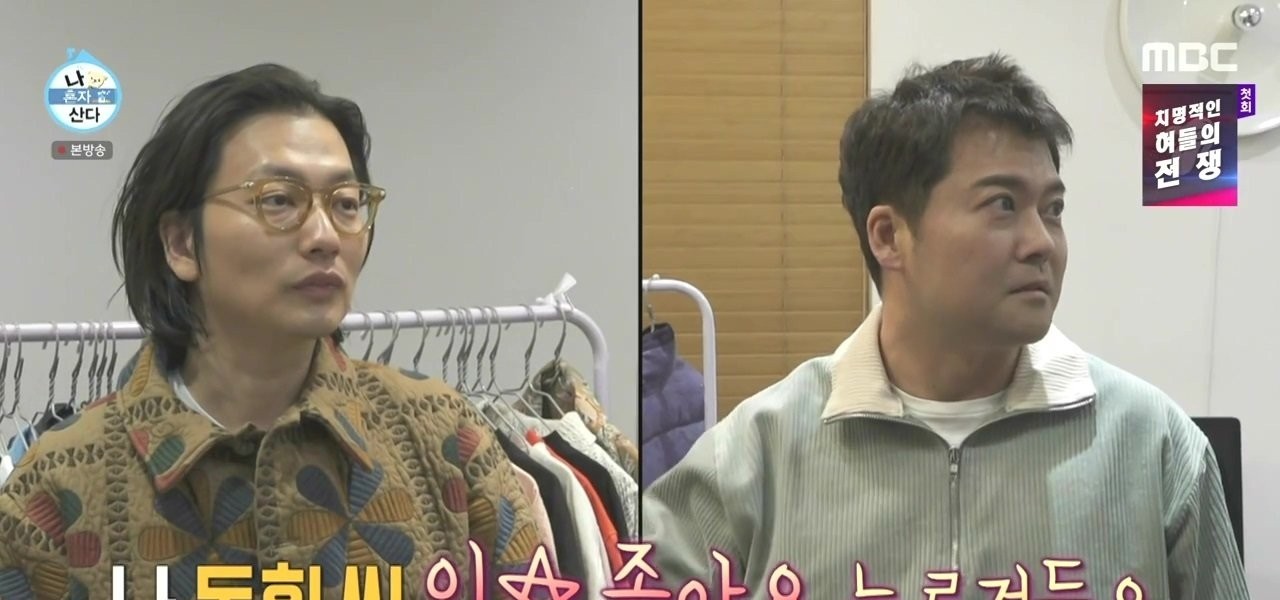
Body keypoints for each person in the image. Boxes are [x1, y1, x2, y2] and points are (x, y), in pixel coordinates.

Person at [641, 54, 1250, 599]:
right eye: (1002, 205)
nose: (1042, 242)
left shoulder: (1152, 444)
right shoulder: (751, 460)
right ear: (889, 236)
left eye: (1053, 209)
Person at [0, 64, 541, 598]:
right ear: (181, 243)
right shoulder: (57, 485)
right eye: (279, 200)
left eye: (346, 204)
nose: (325, 236)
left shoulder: (443, 435)